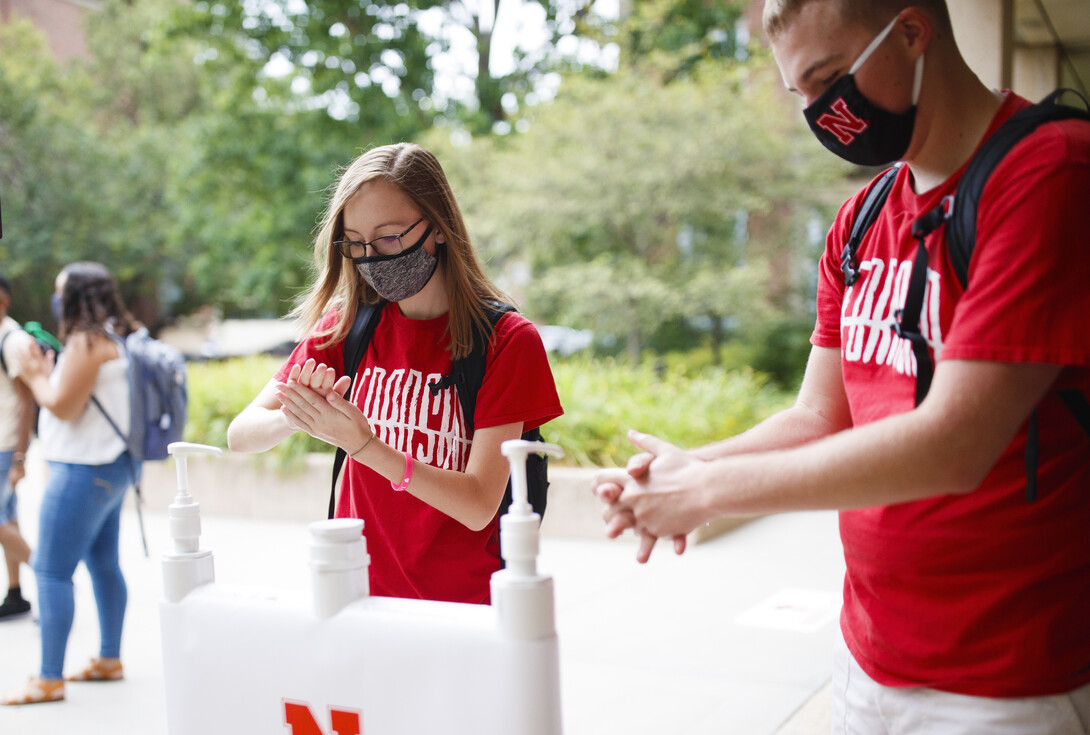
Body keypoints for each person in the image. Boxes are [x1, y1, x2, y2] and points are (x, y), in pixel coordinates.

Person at [593, 1, 1090, 732]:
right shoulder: (860, 222)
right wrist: (678, 470)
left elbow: (957, 444)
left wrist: (708, 489)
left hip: (1003, 680)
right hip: (866, 659)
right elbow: (821, 416)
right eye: (802, 94)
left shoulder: (1050, 170)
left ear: (914, 31)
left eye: (829, 78)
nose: (824, 112)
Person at [228, 142, 562, 605]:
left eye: (389, 237)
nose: (373, 257)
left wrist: (365, 446)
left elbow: (479, 504)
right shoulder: (347, 326)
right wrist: (304, 414)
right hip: (356, 597)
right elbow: (240, 435)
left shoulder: (507, 341)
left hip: (461, 611)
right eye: (357, 243)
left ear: (439, 227)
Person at [1, 263, 138, 705]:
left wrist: (35, 374)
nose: (55, 299)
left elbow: (61, 406)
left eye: (60, 291)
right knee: (103, 564)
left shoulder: (87, 339)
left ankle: (48, 678)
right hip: (112, 467)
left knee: (50, 571)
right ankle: (108, 658)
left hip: (84, 469)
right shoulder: (117, 335)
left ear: (75, 296)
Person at [0, 273, 35, 620]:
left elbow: (28, 401)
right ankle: (15, 593)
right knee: (8, 518)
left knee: (1, 522)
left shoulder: (12, 340)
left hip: (6, 447)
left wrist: (20, 457)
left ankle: (50, 574)